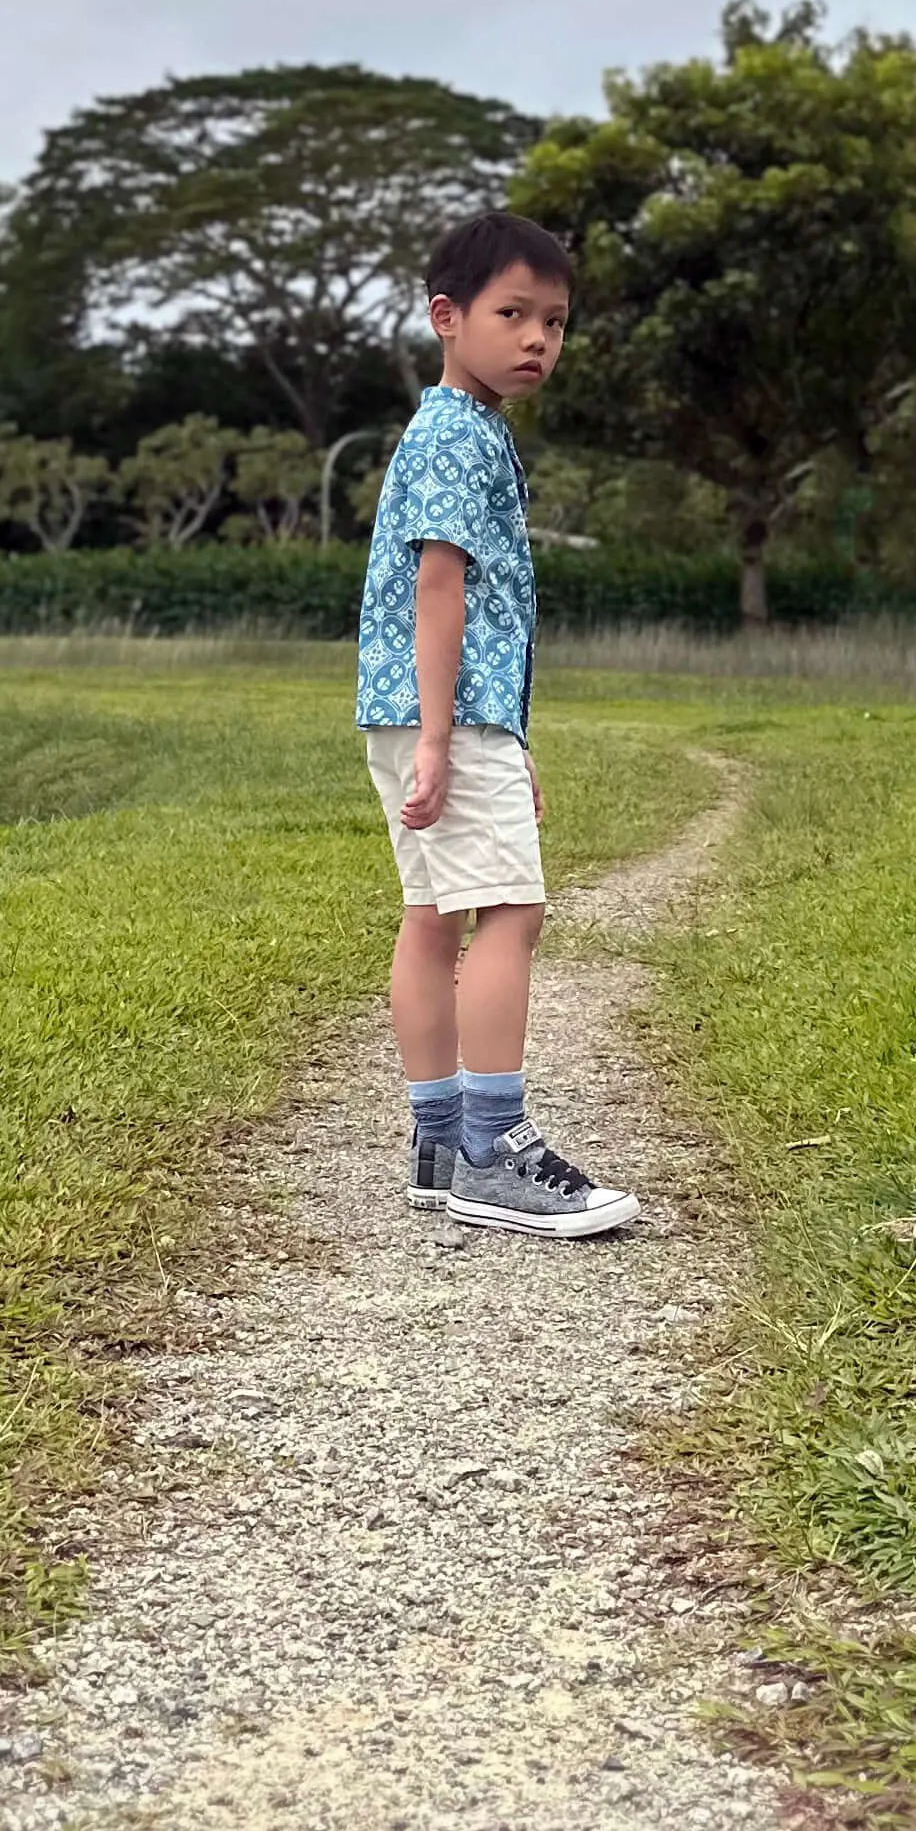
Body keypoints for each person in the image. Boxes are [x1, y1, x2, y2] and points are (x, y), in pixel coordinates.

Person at [355, 209, 638, 1239]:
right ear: (447, 317)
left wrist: (498, 748)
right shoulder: (454, 436)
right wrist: (446, 740)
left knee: (434, 915)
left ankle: (438, 1141)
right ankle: (493, 1150)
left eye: (555, 323)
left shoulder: (461, 432)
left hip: (426, 714)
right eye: (512, 314)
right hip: (443, 715)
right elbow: (441, 588)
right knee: (511, 912)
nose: (537, 341)